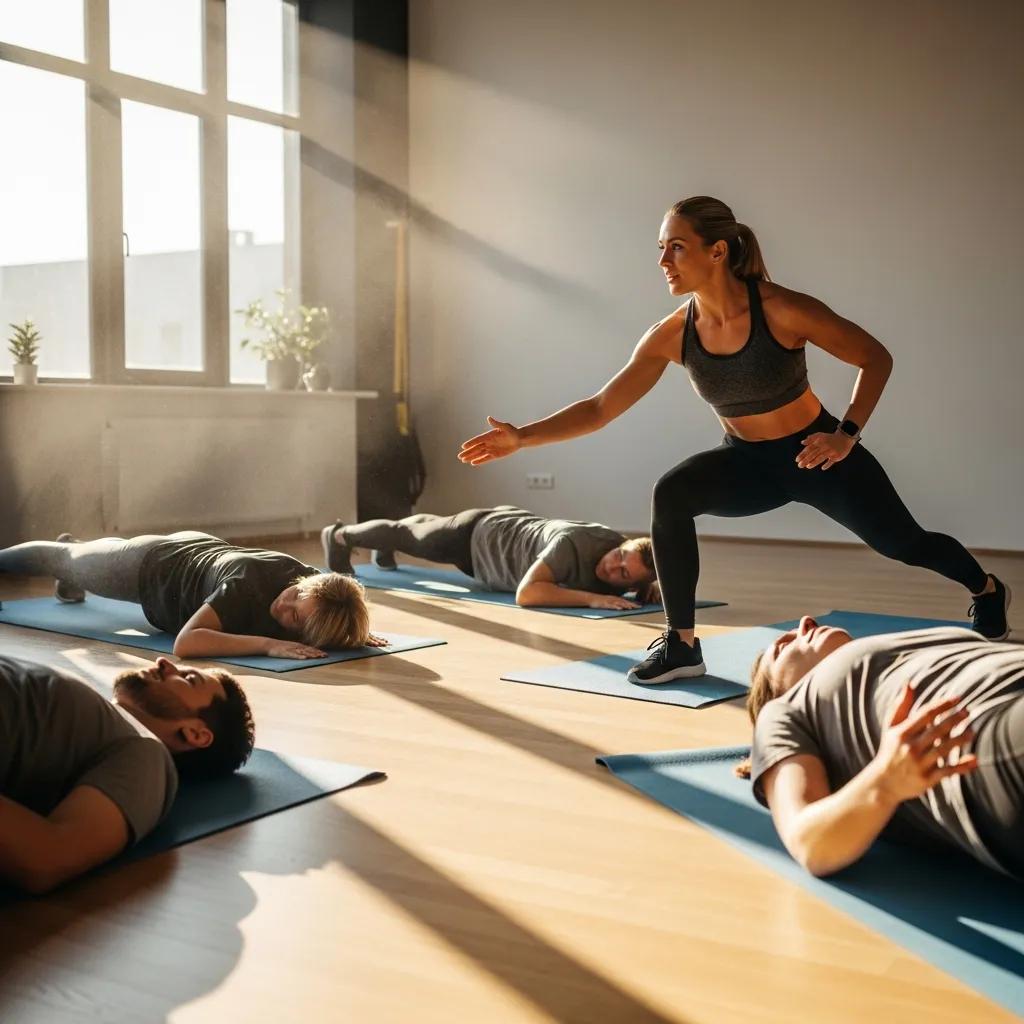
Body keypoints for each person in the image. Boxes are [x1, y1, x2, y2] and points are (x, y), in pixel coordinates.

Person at [458, 196, 1010, 682]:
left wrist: (844, 435)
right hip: (748, 463)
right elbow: (602, 407)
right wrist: (522, 439)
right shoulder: (674, 333)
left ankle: (985, 588)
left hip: (816, 453)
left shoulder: (782, 309)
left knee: (905, 544)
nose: (663, 261)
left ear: (717, 251)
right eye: (660, 248)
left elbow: (875, 357)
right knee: (672, 493)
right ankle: (682, 645)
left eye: (676, 247)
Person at [739, 615, 1023, 880]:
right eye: (783, 647)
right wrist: (885, 780)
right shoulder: (782, 711)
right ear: (777, 691)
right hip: (988, 737)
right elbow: (808, 843)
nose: (805, 622)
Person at [0, 653, 254, 893]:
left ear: (196, 734)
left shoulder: (146, 754)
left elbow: (49, 856)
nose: (164, 662)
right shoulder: (103, 721)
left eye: (189, 679)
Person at [0, 531, 380, 659]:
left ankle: (79, 565)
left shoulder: (315, 589)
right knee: (61, 558)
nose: (286, 602)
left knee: (81, 560)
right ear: (304, 582)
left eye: (295, 617)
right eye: (295, 594)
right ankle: (72, 562)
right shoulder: (245, 586)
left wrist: (353, 635)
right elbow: (186, 643)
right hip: (151, 566)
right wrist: (267, 644)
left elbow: (336, 607)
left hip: (198, 551)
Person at [321, 506, 659, 610]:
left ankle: (408, 534)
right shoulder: (573, 544)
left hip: (505, 535)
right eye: (619, 556)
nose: (612, 566)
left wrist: (651, 587)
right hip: (478, 538)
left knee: (419, 533)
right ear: (622, 543)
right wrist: (594, 599)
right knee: (403, 534)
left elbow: (644, 573)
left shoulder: (630, 559)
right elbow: (527, 595)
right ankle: (339, 535)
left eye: (624, 575)